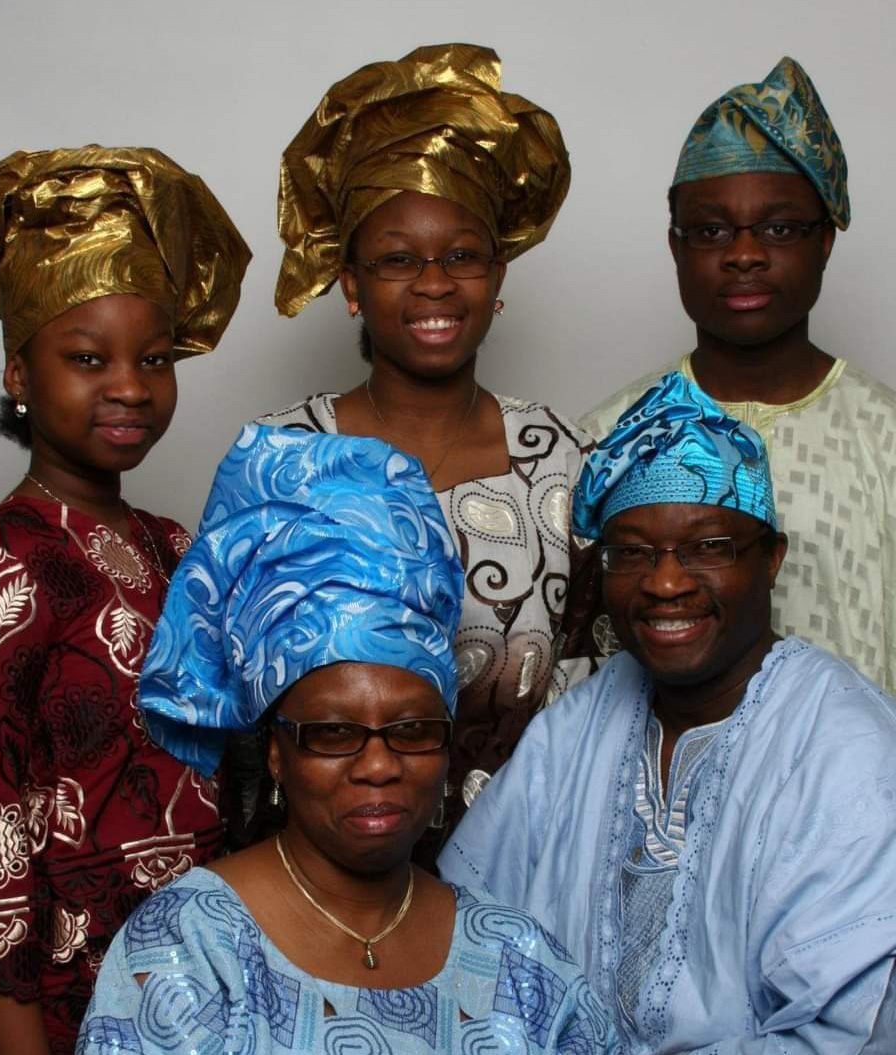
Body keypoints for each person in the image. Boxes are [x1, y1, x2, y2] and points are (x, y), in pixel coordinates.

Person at [440, 372, 896, 1052]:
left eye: (708, 547)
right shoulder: (579, 726)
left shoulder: (852, 753)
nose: (665, 583)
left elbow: (891, 1032)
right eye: (632, 553)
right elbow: (467, 939)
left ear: (772, 560)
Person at [77, 426, 621, 1054]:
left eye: (412, 730)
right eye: (335, 733)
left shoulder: (518, 958)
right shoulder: (190, 948)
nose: (379, 764)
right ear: (277, 754)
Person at [579, 57, 896, 800]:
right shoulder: (610, 437)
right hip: (650, 843)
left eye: (780, 227)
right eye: (710, 230)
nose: (743, 253)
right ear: (675, 246)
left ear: (826, 241)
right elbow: (576, 698)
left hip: (860, 850)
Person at [233, 42, 598, 846]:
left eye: (462, 255)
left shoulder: (562, 456)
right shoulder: (284, 458)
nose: (434, 283)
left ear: (498, 277)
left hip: (521, 884)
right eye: (398, 259)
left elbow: (594, 698)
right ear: (353, 284)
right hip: (319, 891)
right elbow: (239, 720)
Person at [0, 146, 251, 1055]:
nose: (129, 386)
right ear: (20, 376)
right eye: (87, 358)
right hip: (81, 1003)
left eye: (155, 359)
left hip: (216, 980)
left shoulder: (177, 546)